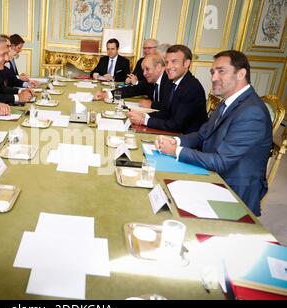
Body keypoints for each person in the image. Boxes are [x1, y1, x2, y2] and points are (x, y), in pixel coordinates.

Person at [155, 50, 272, 216]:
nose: (213, 77)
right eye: (212, 72)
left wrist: (175, 151)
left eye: (221, 71)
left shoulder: (252, 112)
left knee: (166, 207)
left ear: (241, 74)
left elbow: (221, 162)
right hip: (213, 173)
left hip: (233, 190)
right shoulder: (228, 102)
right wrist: (176, 141)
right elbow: (202, 135)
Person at [128, 45, 207, 134]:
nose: (168, 67)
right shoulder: (172, 83)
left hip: (185, 139)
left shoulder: (192, 88)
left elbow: (176, 125)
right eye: (166, 62)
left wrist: (143, 120)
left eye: (174, 62)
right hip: (172, 134)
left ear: (186, 63)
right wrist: (144, 115)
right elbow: (165, 112)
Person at [93, 54, 169, 104]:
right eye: (143, 70)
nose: (144, 73)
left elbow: (168, 109)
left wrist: (152, 105)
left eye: (147, 69)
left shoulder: (169, 82)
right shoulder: (151, 81)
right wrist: (106, 94)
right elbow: (131, 90)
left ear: (159, 67)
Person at [0, 35, 34, 105]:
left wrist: (21, 91)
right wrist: (18, 96)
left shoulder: (3, 64)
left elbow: (2, 88)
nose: (6, 58)